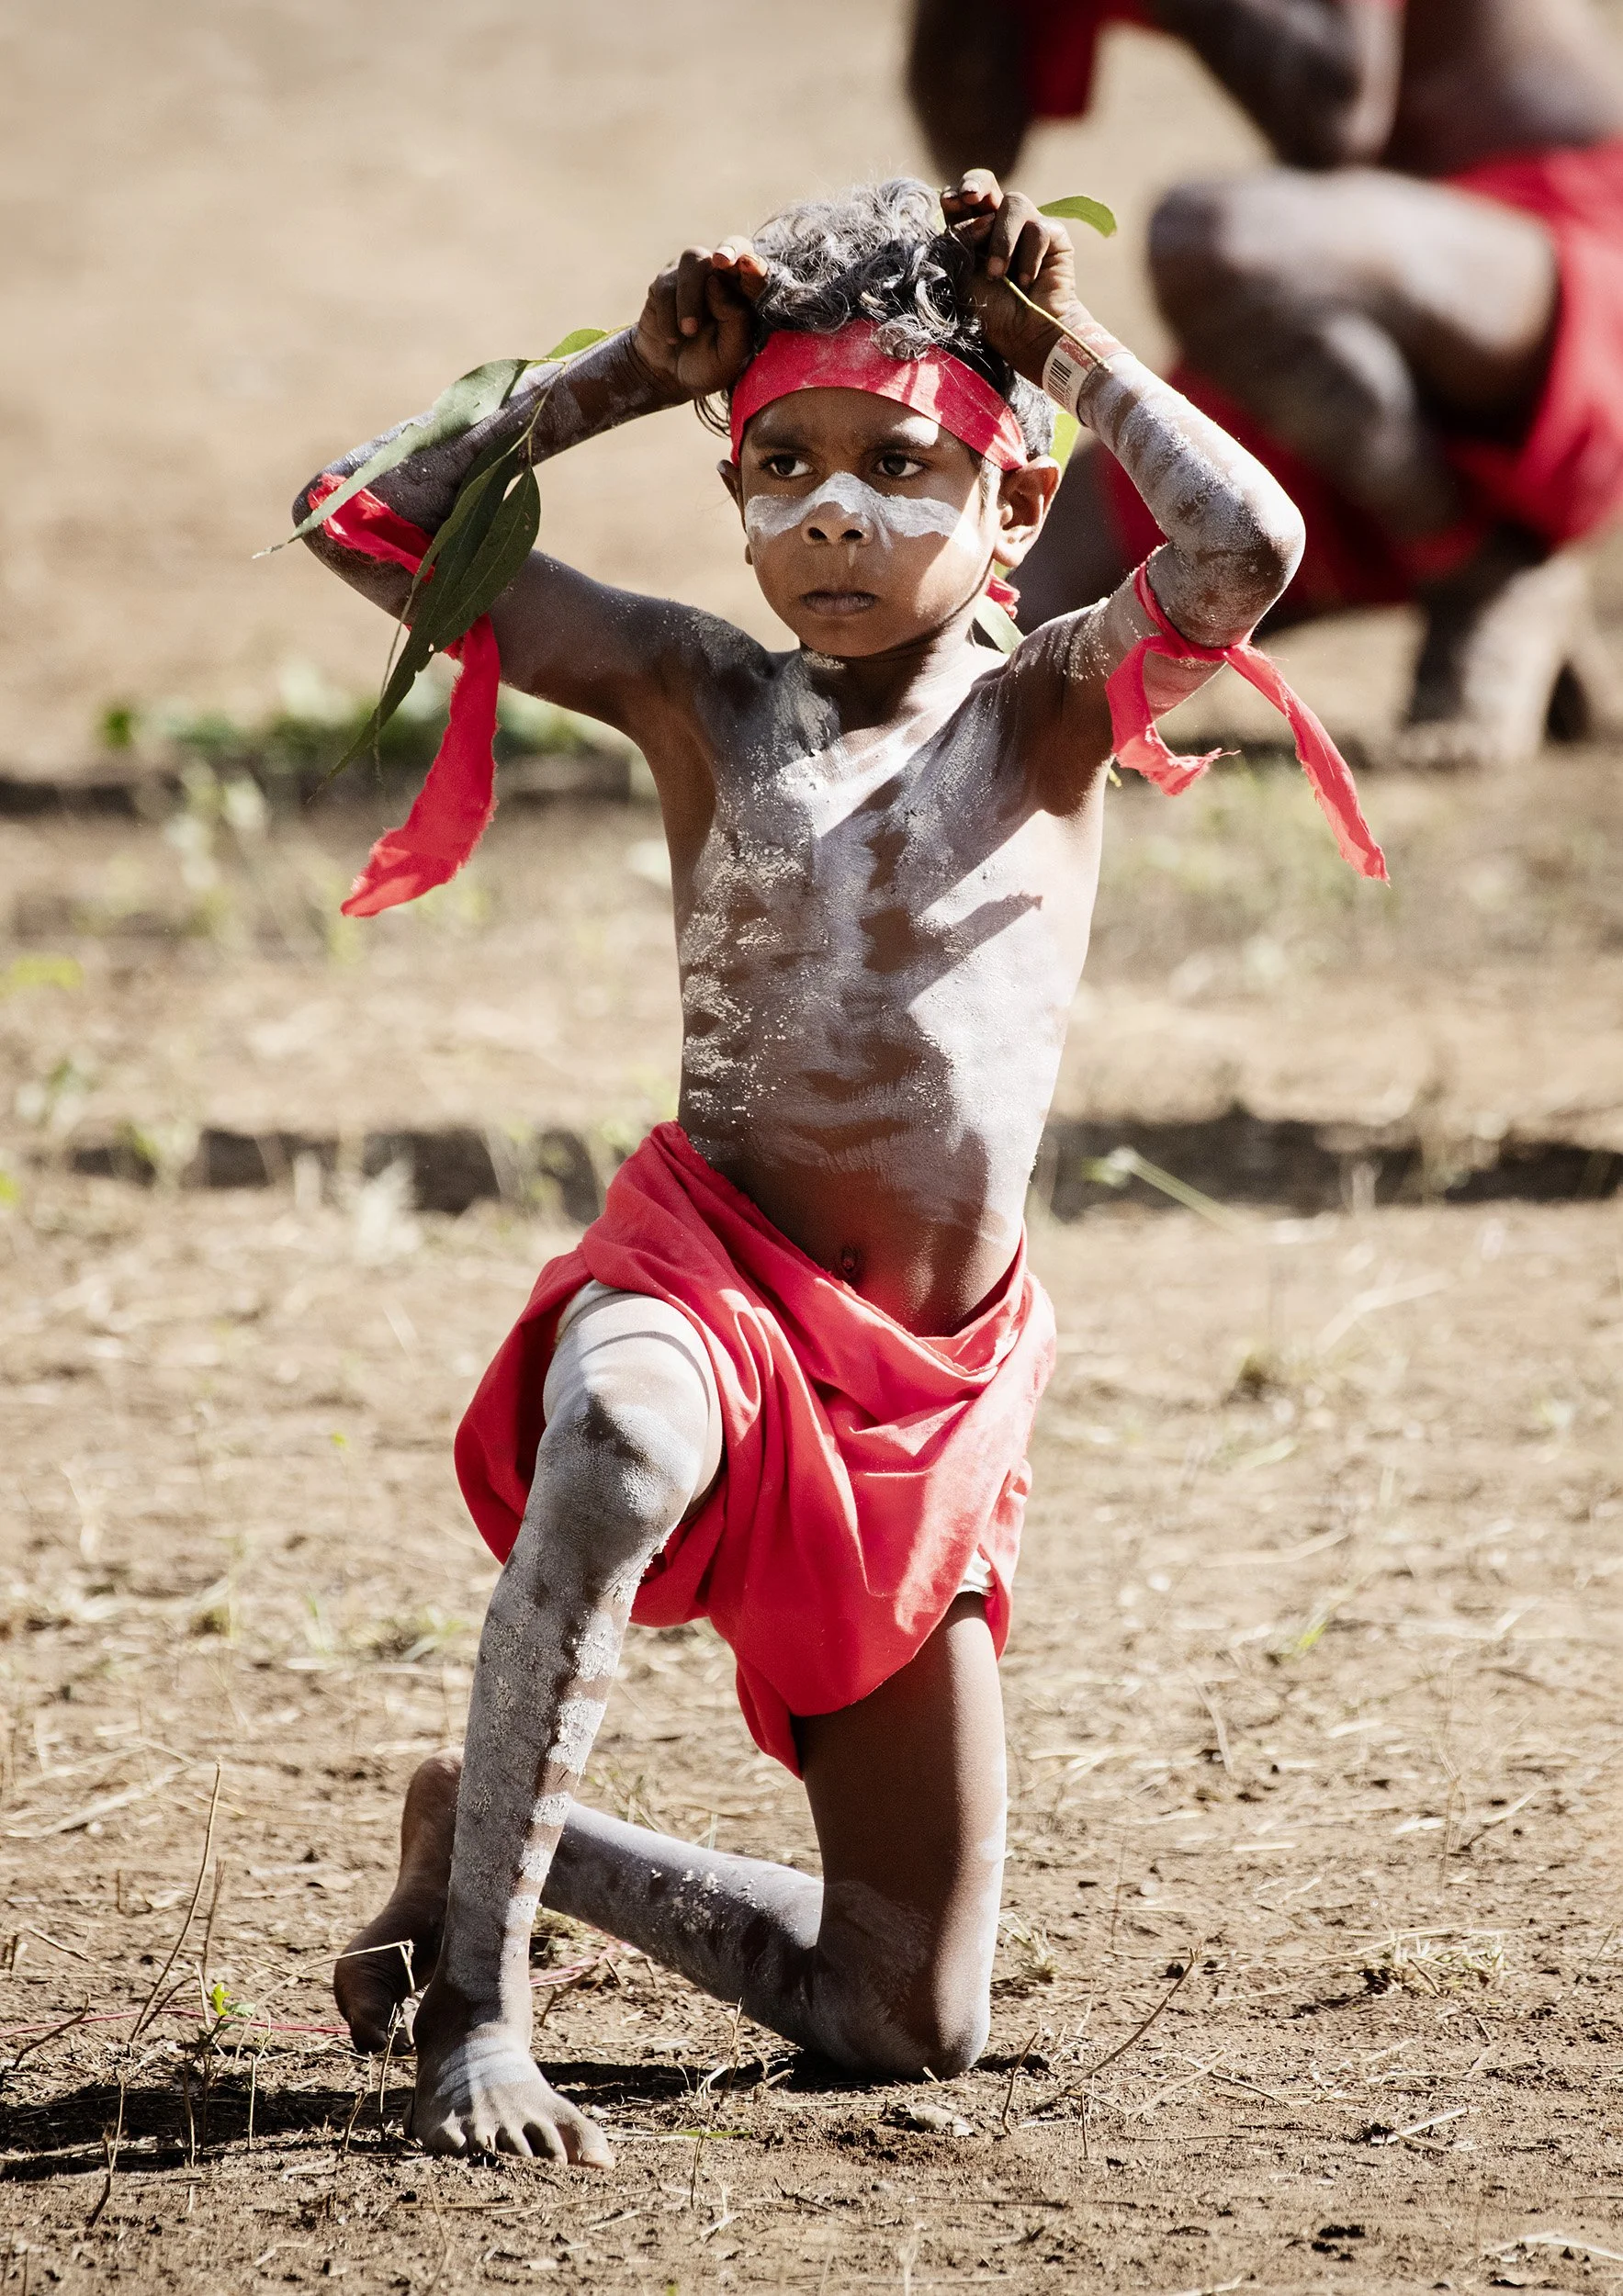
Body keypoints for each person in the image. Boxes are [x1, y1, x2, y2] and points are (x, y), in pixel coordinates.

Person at [294, 170, 1376, 2164]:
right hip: (699, 1288)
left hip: (920, 1395)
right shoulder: (694, 686)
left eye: (898, 462)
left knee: (903, 2013)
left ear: (1014, 502)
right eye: (776, 462)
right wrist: (627, 371)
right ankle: (478, 1997)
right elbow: (362, 518)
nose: (829, 515)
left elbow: (1247, 539)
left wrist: (1049, 343)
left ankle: (480, 1825)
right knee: (612, 1444)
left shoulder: (1052, 705)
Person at [909, 0, 1623, 768]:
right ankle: (1485, 551)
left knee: (1211, 242)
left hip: (1558, 254)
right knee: (979, 617)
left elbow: (1334, 106)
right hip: (1340, 359)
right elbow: (975, 141)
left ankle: (1472, 566)